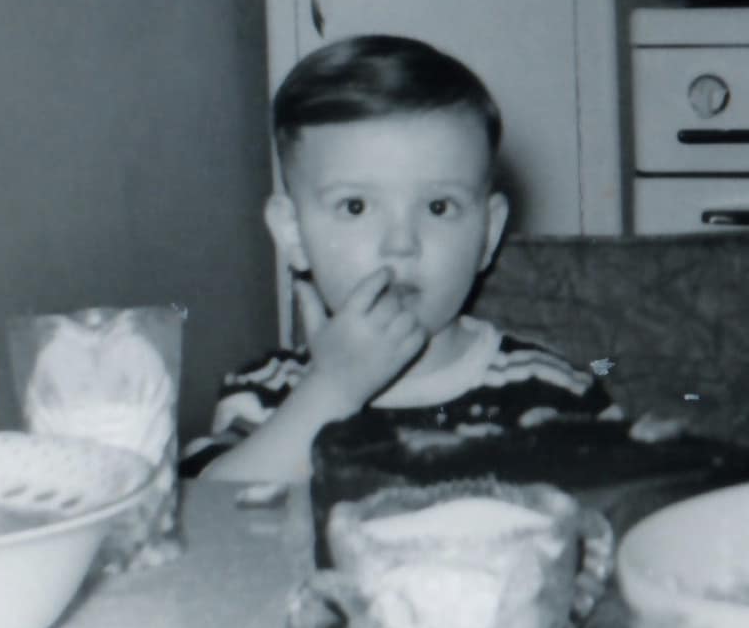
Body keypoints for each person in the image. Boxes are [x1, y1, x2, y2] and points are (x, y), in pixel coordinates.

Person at [190, 35, 612, 481]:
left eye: (438, 207)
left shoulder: (551, 393)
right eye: (355, 206)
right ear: (293, 232)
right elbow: (208, 512)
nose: (401, 243)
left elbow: (632, 501)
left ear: (488, 233)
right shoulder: (264, 395)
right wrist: (332, 390)